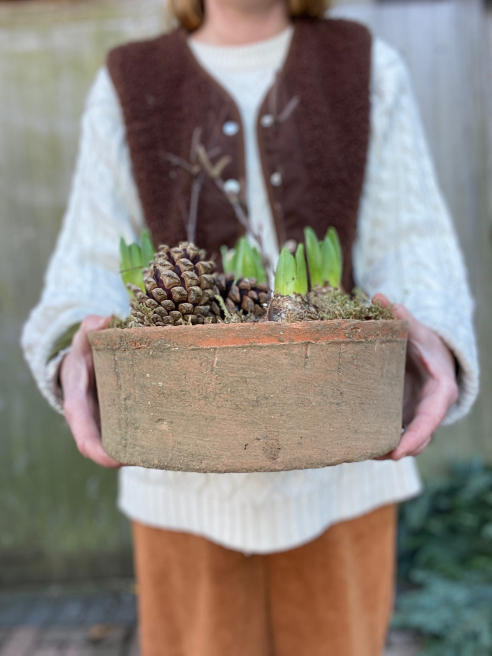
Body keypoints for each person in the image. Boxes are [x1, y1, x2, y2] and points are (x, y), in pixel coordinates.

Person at [22, 0, 479, 653]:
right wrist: (75, 341)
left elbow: (411, 242)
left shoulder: (367, 65)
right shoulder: (130, 80)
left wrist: (429, 329)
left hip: (345, 475)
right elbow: (92, 261)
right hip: (180, 481)